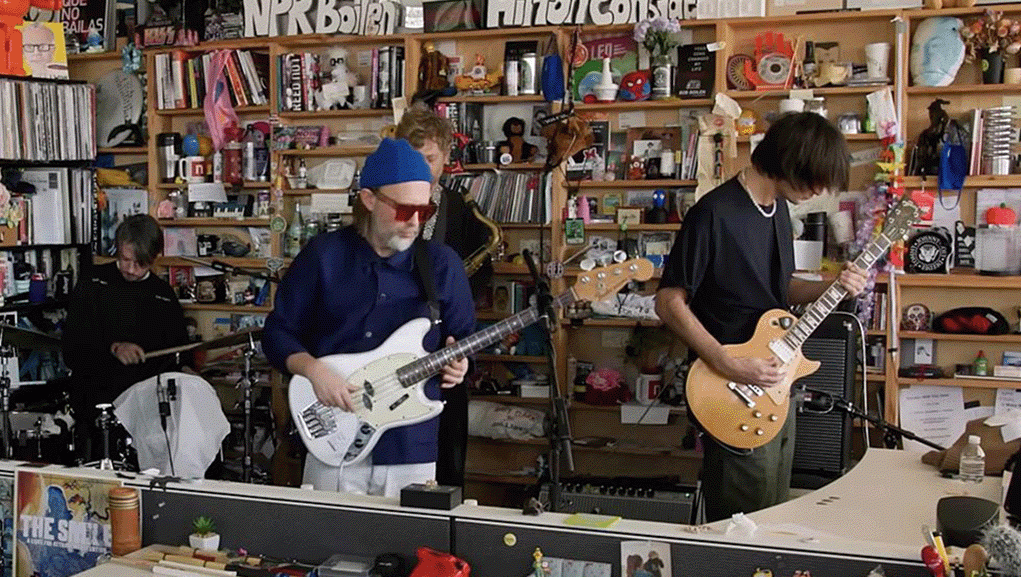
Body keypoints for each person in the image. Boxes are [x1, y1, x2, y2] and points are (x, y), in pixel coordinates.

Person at [654, 112, 867, 522]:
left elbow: (779, 290)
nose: (820, 189)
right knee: (741, 522)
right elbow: (667, 301)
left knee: (772, 512)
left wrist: (833, 284)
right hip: (731, 387)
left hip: (774, 382)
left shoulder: (776, 211)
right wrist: (725, 360)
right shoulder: (713, 213)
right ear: (790, 162)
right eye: (816, 178)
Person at [263, 138, 475, 496]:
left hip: (411, 445)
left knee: (409, 548)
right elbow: (277, 333)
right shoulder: (323, 256)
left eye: (424, 212)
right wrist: (312, 370)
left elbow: (464, 339)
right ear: (369, 199)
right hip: (332, 437)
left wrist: (461, 363)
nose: (414, 223)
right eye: (403, 210)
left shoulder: (442, 265)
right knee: (326, 546)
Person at [395, 104, 495, 488]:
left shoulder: (462, 210)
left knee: (445, 466)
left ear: (446, 159)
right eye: (412, 156)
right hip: (385, 355)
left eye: (430, 158)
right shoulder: (381, 203)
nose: (422, 166)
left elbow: (482, 272)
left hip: (443, 357)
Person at [63, 214, 191, 461]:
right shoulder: (92, 282)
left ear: (155, 258)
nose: (131, 270)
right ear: (118, 249)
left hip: (145, 408)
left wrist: (187, 370)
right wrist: (114, 347)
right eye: (125, 260)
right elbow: (72, 348)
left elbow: (177, 354)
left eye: (140, 264)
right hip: (95, 401)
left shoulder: (163, 296)